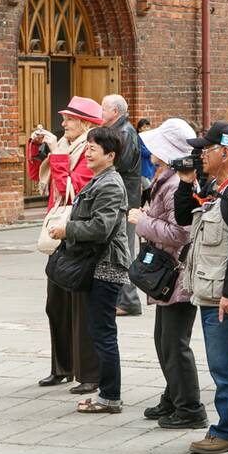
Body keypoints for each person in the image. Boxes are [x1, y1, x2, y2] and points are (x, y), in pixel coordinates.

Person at [175, 122, 228, 454]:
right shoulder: (219, 186)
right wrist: (187, 183)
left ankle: (227, 431)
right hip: (214, 290)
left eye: (205, 150)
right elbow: (185, 217)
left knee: (224, 365)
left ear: (224, 152)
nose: (199, 155)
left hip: (226, 295)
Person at [47, 127, 130, 415]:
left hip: (105, 266)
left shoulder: (109, 183)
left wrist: (66, 229)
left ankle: (110, 397)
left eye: (94, 148)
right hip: (97, 265)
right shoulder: (100, 179)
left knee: (103, 333)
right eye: (89, 147)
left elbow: (101, 227)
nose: (89, 152)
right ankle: (109, 394)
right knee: (99, 331)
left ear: (111, 155)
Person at [133, 118, 207, 429]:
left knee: (174, 343)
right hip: (168, 273)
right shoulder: (169, 177)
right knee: (163, 339)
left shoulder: (177, 183)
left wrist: (141, 220)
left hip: (177, 273)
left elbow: (180, 232)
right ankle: (173, 396)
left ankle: (189, 408)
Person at [28, 96, 103, 393]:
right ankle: (62, 367)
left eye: (69, 119)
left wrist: (57, 153)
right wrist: (37, 148)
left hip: (77, 234)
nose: (63, 124)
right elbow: (38, 176)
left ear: (84, 123)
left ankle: (88, 373)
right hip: (58, 234)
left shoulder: (89, 149)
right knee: (55, 305)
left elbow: (70, 188)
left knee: (80, 310)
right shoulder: (65, 146)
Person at [102, 94, 143, 316]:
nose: (101, 113)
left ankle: (129, 300)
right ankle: (122, 298)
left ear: (115, 112)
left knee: (124, 250)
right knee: (119, 249)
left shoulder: (125, 132)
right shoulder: (119, 131)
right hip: (122, 198)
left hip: (125, 200)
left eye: (104, 108)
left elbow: (120, 165)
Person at [137, 118, 156, 204]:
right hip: (143, 169)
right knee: (149, 189)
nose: (146, 129)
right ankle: (152, 209)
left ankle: (139, 207)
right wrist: (153, 150)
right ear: (139, 129)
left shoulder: (150, 139)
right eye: (144, 127)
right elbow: (144, 152)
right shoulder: (138, 139)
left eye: (148, 127)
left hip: (150, 168)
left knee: (146, 192)